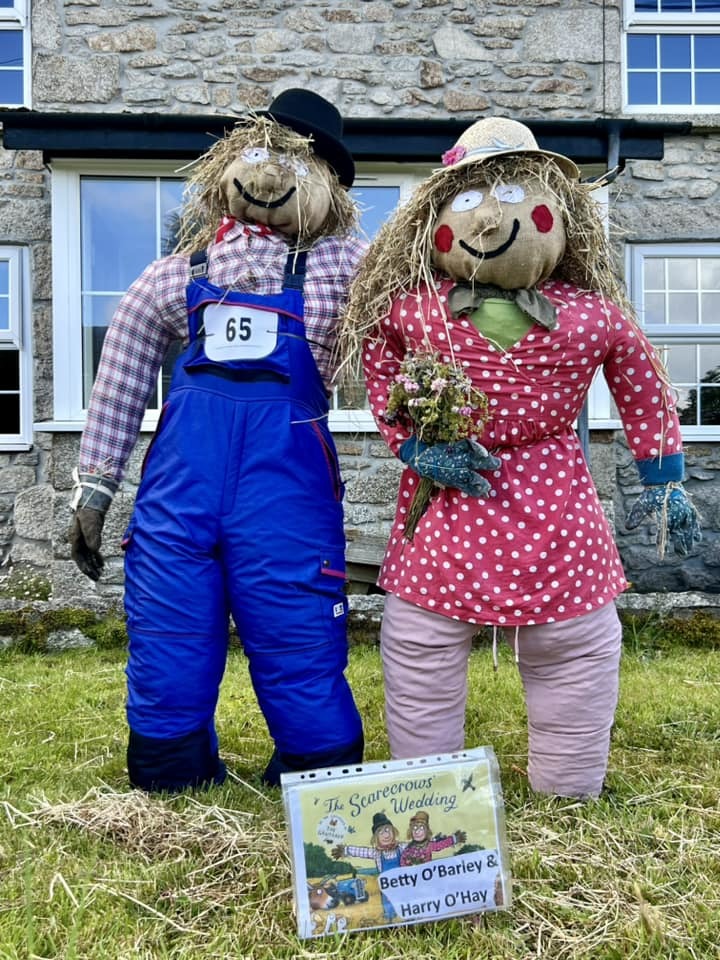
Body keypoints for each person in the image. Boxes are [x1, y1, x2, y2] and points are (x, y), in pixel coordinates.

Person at [339, 116, 700, 799]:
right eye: (468, 203)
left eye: (514, 200)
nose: (490, 220)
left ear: (560, 221)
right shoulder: (412, 311)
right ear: (434, 225)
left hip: (556, 503)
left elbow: (643, 384)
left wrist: (664, 477)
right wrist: (415, 444)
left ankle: (568, 783)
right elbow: (378, 363)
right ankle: (429, 788)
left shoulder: (594, 314)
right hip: (448, 502)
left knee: (576, 646)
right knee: (421, 644)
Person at [69, 89, 366, 793]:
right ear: (224, 168)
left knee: (298, 636)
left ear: (327, 186)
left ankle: (317, 774)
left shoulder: (347, 269)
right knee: (170, 632)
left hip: (287, 502)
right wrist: (94, 488)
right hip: (179, 502)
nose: (269, 174)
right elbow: (120, 379)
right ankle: (173, 768)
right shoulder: (176, 274)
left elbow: (403, 339)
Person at [332, 812, 406, 921]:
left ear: (393, 831)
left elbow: (415, 845)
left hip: (403, 882)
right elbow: (362, 851)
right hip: (386, 886)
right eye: (380, 832)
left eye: (387, 830)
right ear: (376, 838)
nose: (386, 835)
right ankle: (390, 920)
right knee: (387, 902)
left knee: (404, 900)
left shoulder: (401, 848)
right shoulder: (377, 853)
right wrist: (345, 850)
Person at [400, 810, 466, 866]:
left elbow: (441, 844)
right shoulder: (408, 848)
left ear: (427, 832)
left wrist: (454, 838)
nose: (417, 831)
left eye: (421, 828)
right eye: (415, 828)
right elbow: (403, 861)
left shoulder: (429, 845)